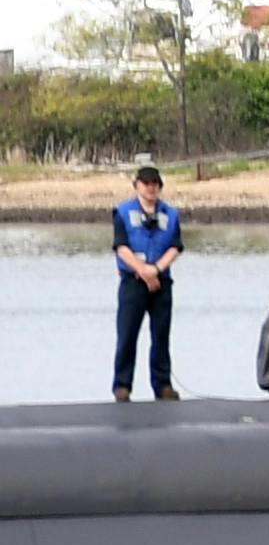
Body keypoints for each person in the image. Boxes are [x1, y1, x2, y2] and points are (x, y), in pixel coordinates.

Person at [109, 163, 182, 403]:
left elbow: (175, 247)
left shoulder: (170, 214)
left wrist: (156, 270)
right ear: (137, 186)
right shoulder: (122, 212)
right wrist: (142, 271)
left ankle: (163, 386)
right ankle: (122, 385)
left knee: (161, 336)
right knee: (127, 335)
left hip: (161, 282)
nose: (151, 188)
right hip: (133, 281)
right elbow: (121, 248)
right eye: (146, 184)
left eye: (155, 184)